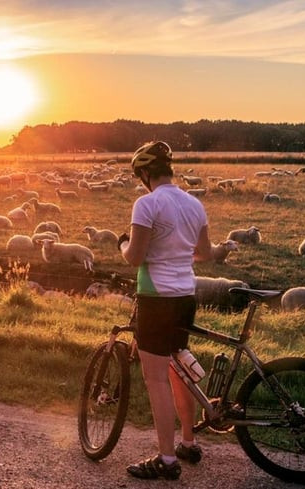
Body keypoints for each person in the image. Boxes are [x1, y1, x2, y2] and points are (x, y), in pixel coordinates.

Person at [117, 141, 212, 480]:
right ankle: (188, 442)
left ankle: (167, 460)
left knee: (156, 378)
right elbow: (204, 253)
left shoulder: (146, 204)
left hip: (156, 298)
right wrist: (177, 250)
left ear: (144, 173)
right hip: (186, 295)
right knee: (179, 370)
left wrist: (123, 243)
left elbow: (135, 257)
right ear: (169, 169)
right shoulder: (194, 203)